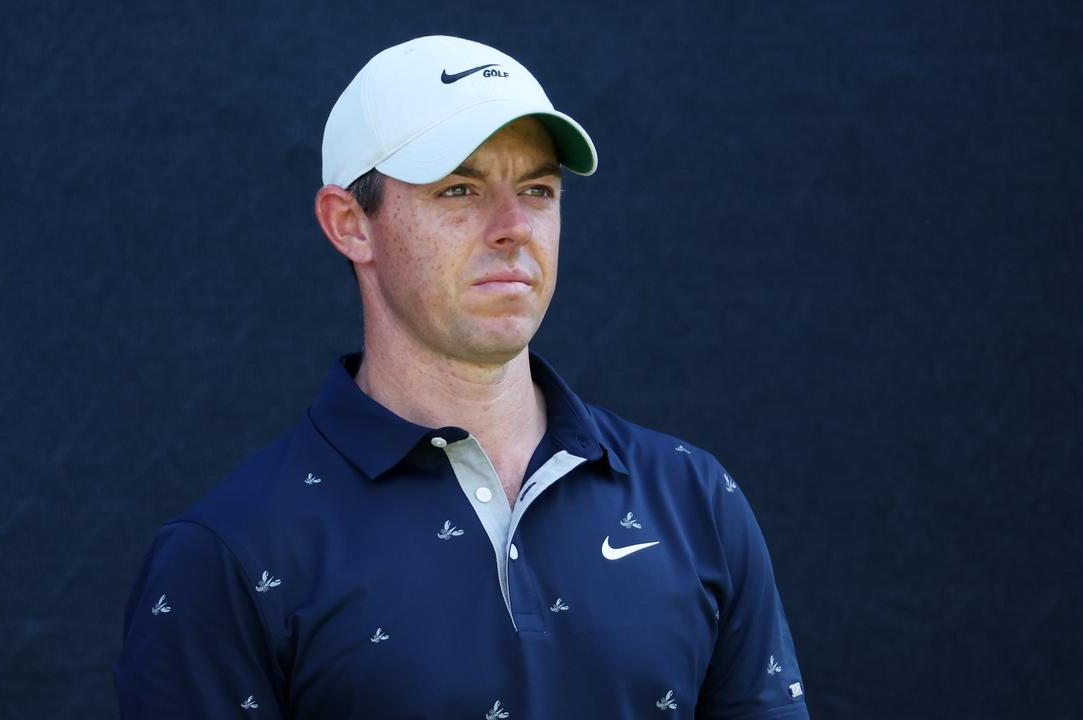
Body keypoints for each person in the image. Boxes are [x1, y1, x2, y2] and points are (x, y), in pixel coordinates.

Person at [115, 35, 809, 719]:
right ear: (350, 223)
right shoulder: (229, 554)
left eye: (538, 188)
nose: (513, 226)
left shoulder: (693, 499)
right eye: (459, 188)